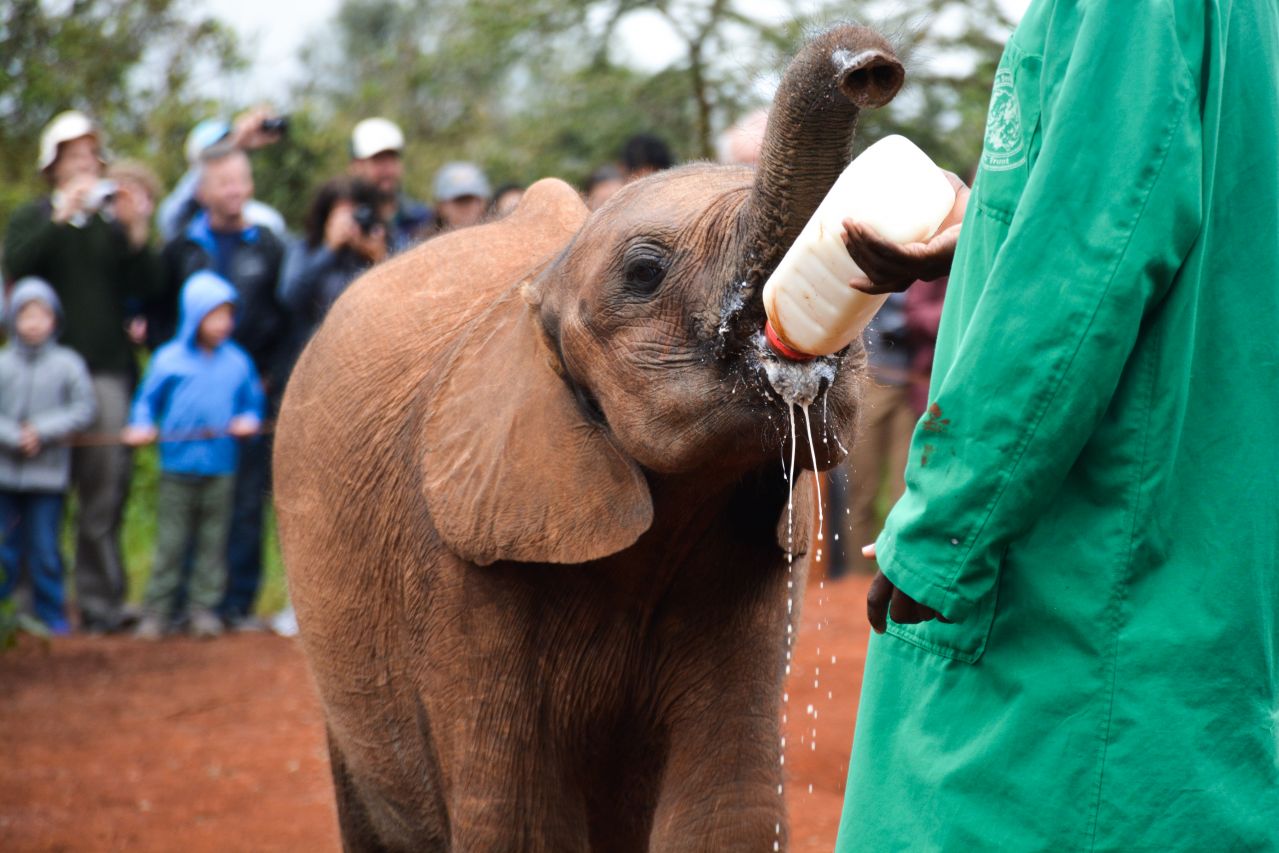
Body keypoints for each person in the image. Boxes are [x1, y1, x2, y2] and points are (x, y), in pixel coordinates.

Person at [835, 1, 1279, 848]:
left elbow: (1087, 263)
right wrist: (994, 228)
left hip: (1075, 601)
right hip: (1190, 571)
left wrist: (944, 529)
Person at [2, 110, 161, 633]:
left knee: (103, 490)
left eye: (90, 154)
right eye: (72, 155)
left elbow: (149, 287)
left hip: (108, 372)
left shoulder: (110, 226)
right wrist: (57, 216)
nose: (83, 164)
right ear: (53, 165)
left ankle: (100, 605)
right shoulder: (32, 218)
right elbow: (17, 264)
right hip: (39, 376)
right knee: (32, 491)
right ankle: (25, 609)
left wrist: (136, 230)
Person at [155, 142, 287, 630]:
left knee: (246, 499)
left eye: (242, 180)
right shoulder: (181, 248)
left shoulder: (269, 243)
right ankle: (181, 605)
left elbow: (285, 312)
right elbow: (159, 311)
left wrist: (271, 376)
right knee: (186, 501)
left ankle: (234, 605)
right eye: (225, 181)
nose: (236, 190)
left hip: (250, 394)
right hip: (192, 400)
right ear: (203, 189)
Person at [124, 271, 264, 640]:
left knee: (212, 544)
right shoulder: (168, 359)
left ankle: (203, 609)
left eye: (228, 316)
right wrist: (141, 426)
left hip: (221, 468)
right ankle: (158, 611)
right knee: (171, 543)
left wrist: (248, 421)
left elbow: (253, 403)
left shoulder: (237, 362)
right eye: (214, 315)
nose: (223, 325)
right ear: (194, 315)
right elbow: (145, 402)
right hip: (177, 468)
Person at [0, 279, 96, 636]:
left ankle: (52, 614)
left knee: (45, 549)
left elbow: (83, 408)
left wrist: (41, 430)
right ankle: (7, 619)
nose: (34, 322)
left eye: (41, 314)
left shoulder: (68, 363)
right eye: (25, 314)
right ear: (12, 319)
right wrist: (12, 436)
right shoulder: (3, 364)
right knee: (5, 550)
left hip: (48, 477)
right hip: (5, 477)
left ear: (55, 319)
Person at [825, 292, 915, 577]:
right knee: (861, 491)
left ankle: (898, 582)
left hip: (915, 387)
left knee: (905, 495)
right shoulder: (872, 254)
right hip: (870, 381)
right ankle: (857, 581)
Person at [280, 177, 387, 342]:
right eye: (343, 215)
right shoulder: (305, 248)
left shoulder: (381, 243)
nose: (350, 224)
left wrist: (379, 259)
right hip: (316, 347)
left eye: (355, 214)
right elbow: (289, 296)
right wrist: (328, 250)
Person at [156, 109, 288, 243]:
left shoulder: (265, 221)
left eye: (230, 150)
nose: (225, 156)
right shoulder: (187, 228)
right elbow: (169, 219)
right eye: (216, 153)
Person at [349, 117, 431, 252]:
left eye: (392, 159)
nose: (387, 169)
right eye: (378, 160)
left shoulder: (422, 218)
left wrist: (381, 257)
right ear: (356, 166)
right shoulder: (344, 219)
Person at [427, 161, 491, 236]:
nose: (464, 209)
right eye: (458, 201)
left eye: (468, 200)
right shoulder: (420, 243)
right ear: (441, 206)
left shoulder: (497, 239)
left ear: (482, 203)